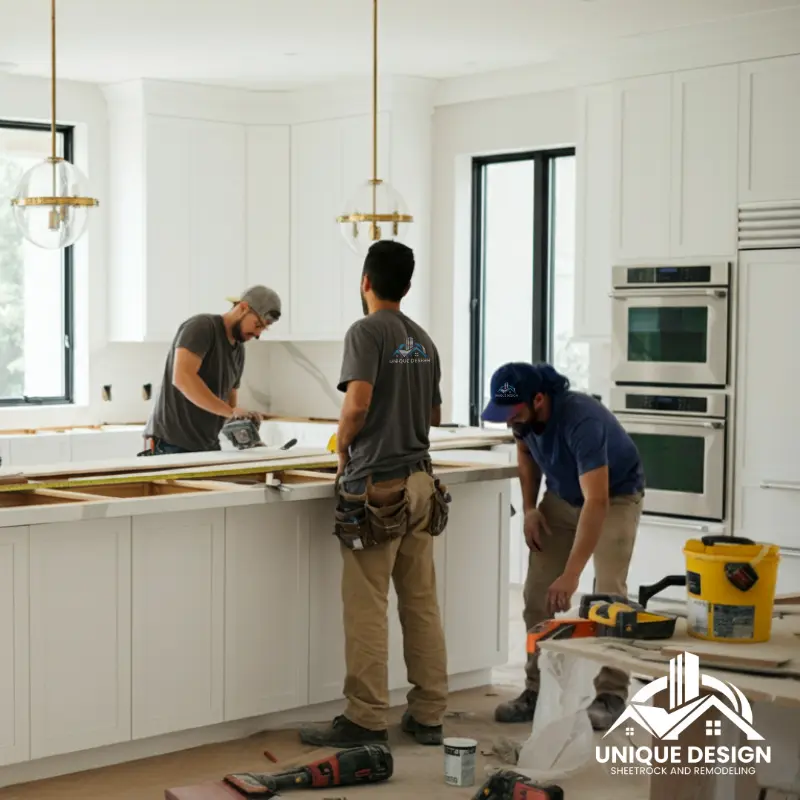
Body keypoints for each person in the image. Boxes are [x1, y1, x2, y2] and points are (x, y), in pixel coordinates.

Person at [299, 240, 449, 749]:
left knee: (367, 606)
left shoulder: (365, 331)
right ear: (407, 286)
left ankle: (366, 718)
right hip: (422, 483)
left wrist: (343, 450)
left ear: (365, 281)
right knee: (421, 601)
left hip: (378, 486)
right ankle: (428, 713)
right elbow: (433, 416)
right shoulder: (423, 340)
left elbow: (356, 406)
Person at [482, 362, 644, 732]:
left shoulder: (581, 420)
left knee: (608, 597)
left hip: (615, 497)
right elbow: (525, 454)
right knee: (536, 593)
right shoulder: (523, 420)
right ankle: (535, 689)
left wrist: (571, 575)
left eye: (514, 413)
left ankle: (612, 694)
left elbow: (597, 502)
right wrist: (529, 509)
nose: (509, 422)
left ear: (539, 399)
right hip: (561, 495)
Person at [142, 286, 281, 454]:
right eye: (257, 324)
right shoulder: (202, 327)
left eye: (263, 328)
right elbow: (182, 377)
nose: (258, 333)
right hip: (171, 444)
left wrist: (243, 422)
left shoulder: (239, 349)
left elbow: (228, 404)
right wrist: (230, 412)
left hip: (208, 446)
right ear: (243, 308)